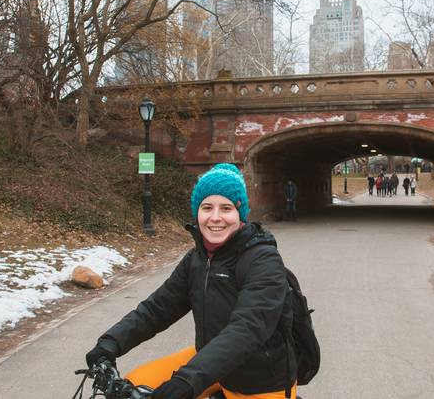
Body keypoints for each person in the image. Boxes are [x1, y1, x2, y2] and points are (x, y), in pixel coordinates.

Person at [85, 164, 297, 399]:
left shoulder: (263, 259)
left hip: (260, 381)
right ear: (197, 213)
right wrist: (111, 342)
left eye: (226, 208)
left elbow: (248, 329)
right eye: (207, 207)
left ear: (240, 214)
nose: (215, 217)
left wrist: (188, 380)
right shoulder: (196, 258)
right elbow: (158, 308)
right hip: (211, 363)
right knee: (136, 382)